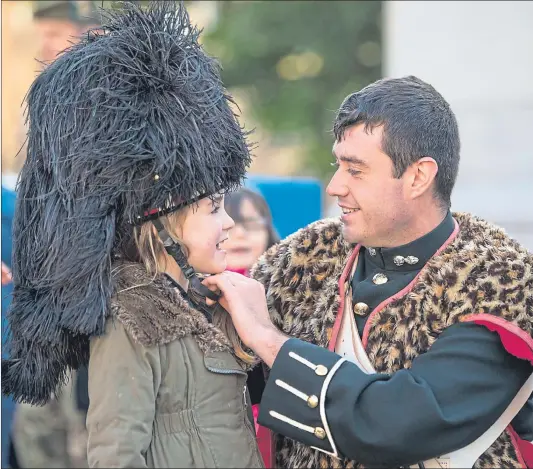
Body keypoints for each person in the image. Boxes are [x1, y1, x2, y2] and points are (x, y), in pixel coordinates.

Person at [203, 76, 533, 468]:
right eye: (337, 164)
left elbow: (398, 424)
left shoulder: (499, 280)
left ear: (418, 177)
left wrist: (268, 340)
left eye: (355, 170)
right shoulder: (301, 259)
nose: (335, 186)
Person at [2, 2, 263, 468]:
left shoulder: (217, 308)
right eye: (212, 208)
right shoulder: (131, 322)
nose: (229, 224)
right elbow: (116, 455)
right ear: (160, 227)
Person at [6, 3, 101, 468]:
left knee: (84, 438)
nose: (44, 46)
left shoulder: (117, 107)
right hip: (47, 308)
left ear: (93, 33)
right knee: (34, 431)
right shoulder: (51, 103)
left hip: (98, 307)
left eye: (56, 34)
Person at [224, 187, 280, 467]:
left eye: (250, 225)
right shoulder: (192, 293)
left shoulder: (288, 292)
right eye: (229, 225)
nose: (239, 234)